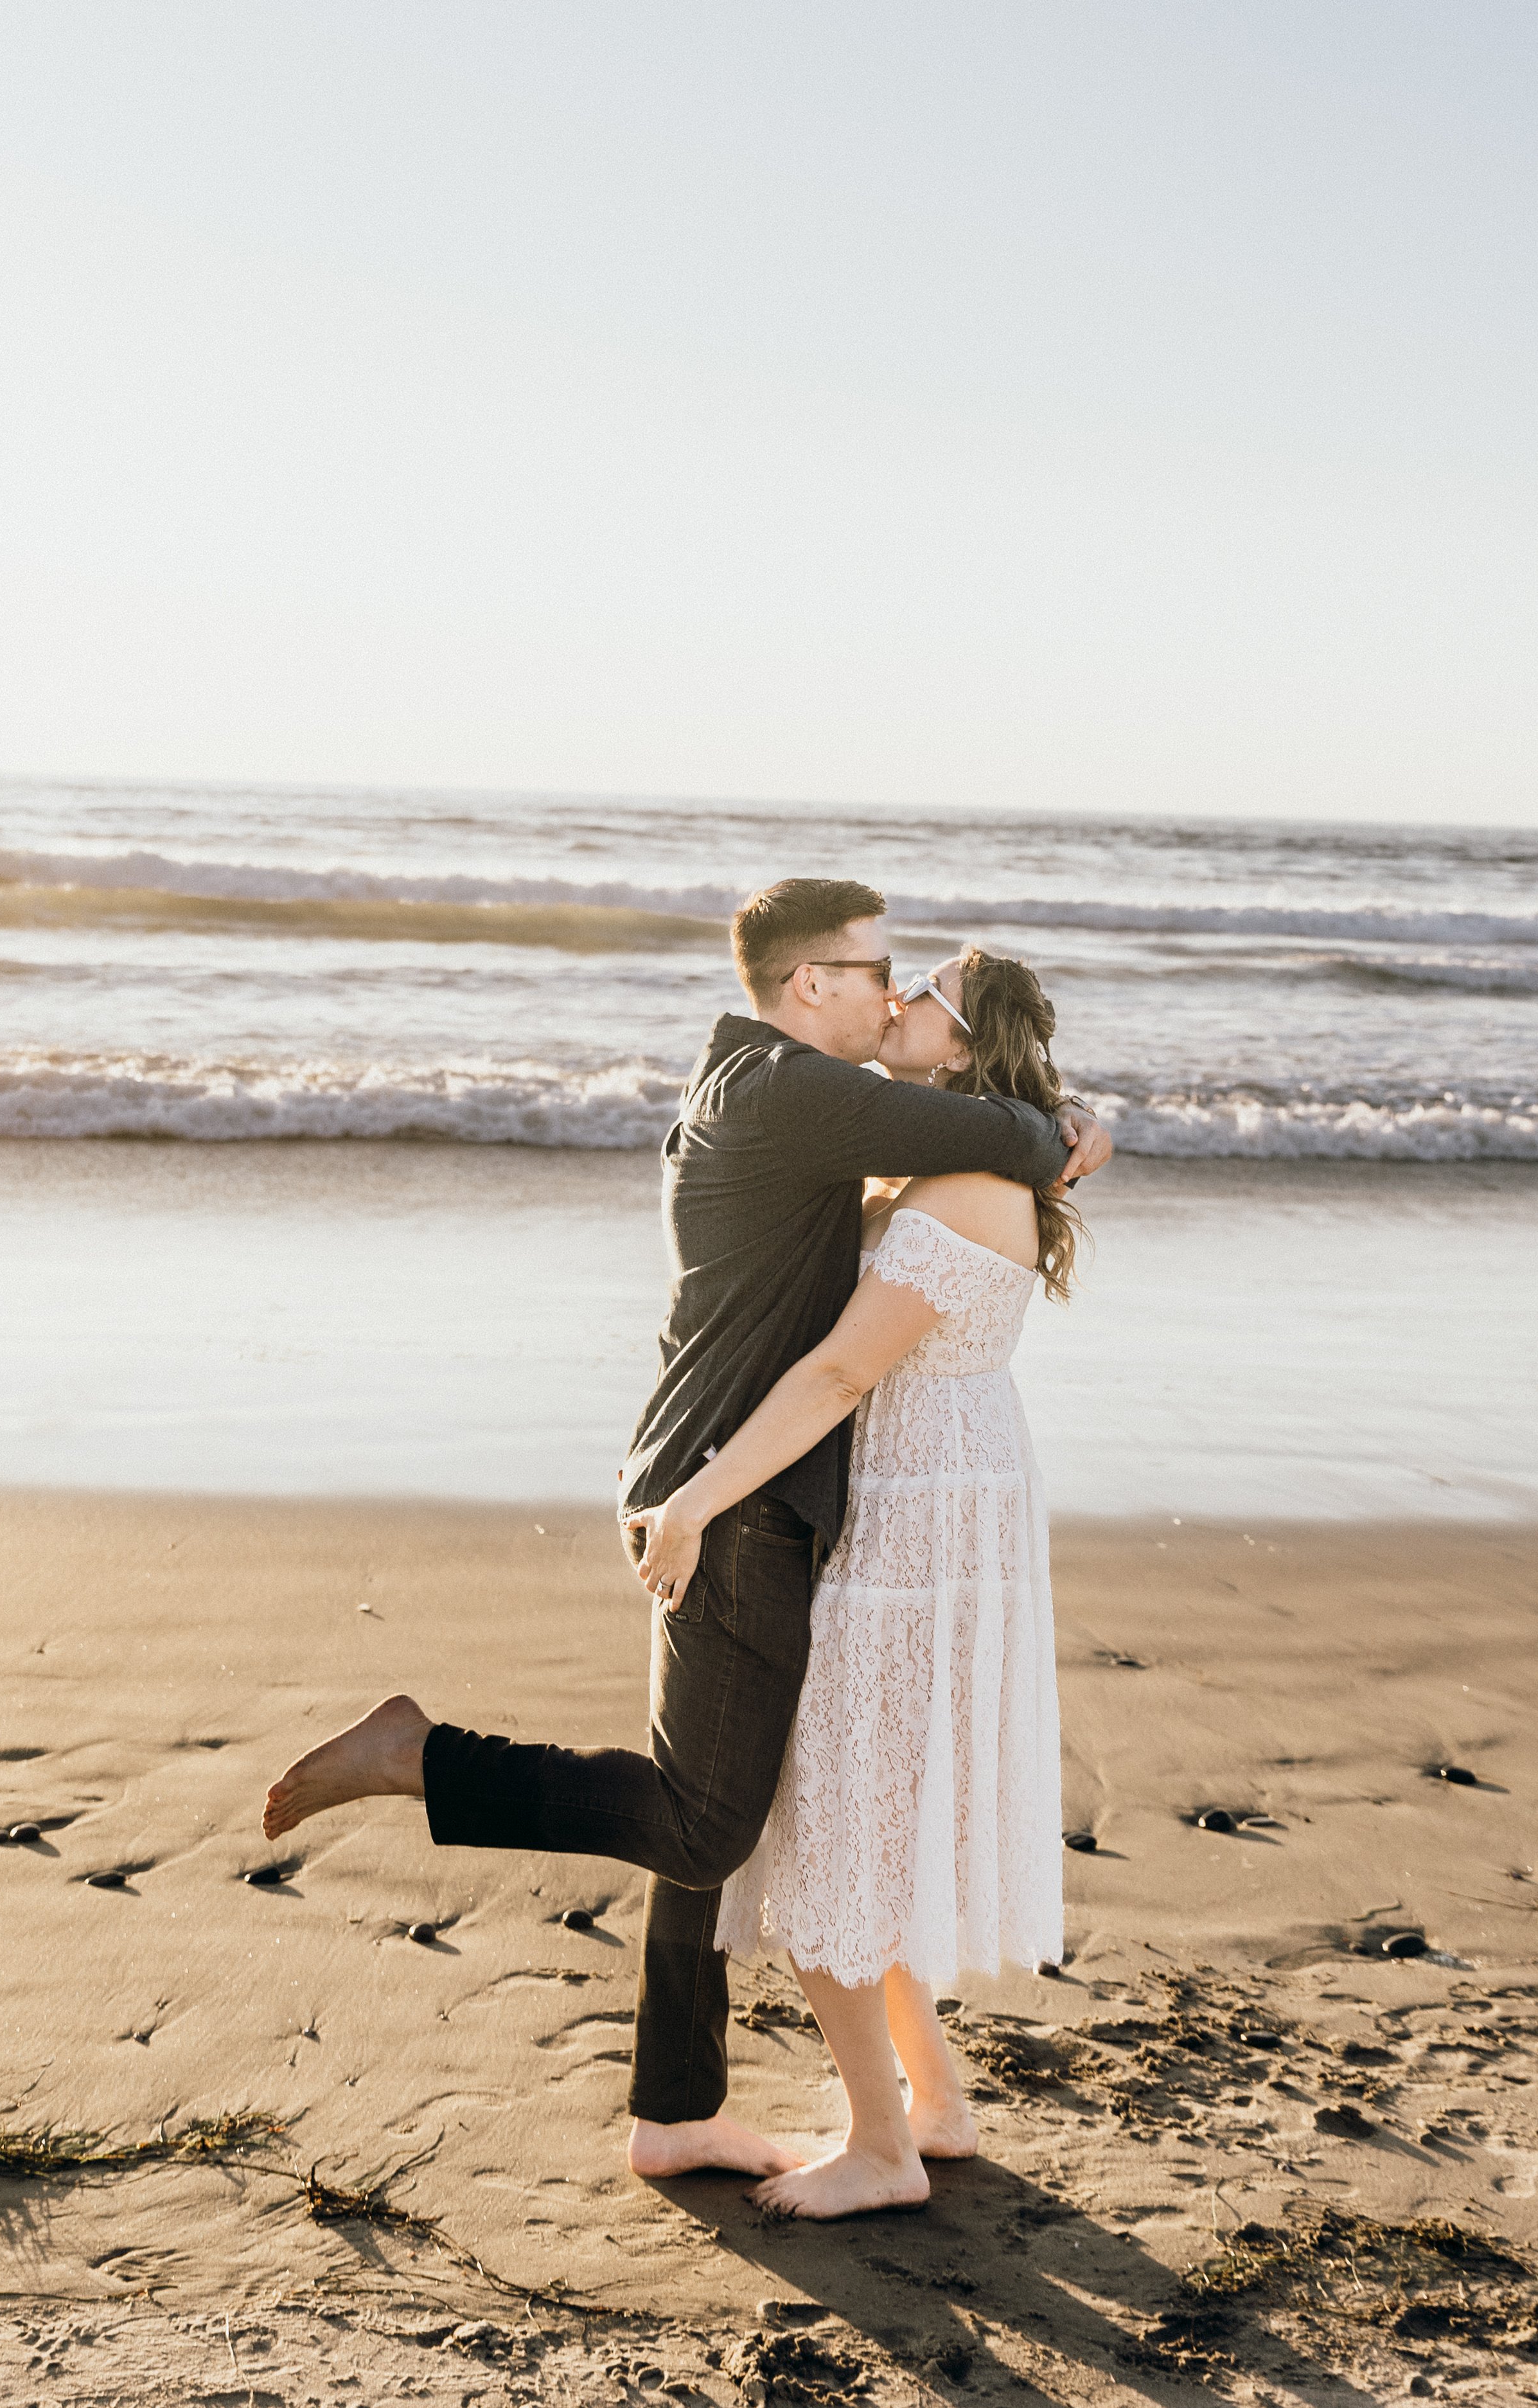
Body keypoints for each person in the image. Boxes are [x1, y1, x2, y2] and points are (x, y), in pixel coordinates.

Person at [261, 880, 1111, 2181]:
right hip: (729, 1497)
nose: (890, 993)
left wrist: (1038, 1130)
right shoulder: (794, 1093)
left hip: (724, 1485)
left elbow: (975, 1138)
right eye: (876, 969)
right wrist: (1051, 1129)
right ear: (808, 981)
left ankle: (680, 2108)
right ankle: (418, 1756)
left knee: (707, 1798)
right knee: (710, 1820)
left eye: (912, 980)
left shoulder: (768, 1087)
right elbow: (995, 1128)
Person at [627, 948, 1074, 2218]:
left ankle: (881, 2144)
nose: (900, 1003)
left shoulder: (963, 1186)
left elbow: (833, 1376)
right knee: (865, 1819)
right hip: (936, 1499)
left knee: (825, 1822)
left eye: (924, 991)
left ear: (964, 1036)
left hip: (913, 1527)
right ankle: (931, 2101)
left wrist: (697, 1497)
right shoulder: (967, 1165)